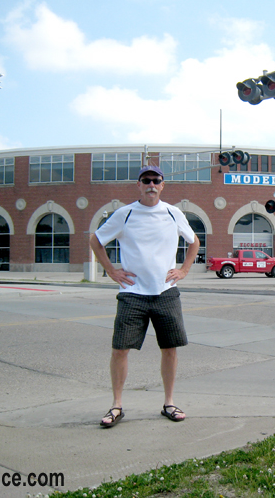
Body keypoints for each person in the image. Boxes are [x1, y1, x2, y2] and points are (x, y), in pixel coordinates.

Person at [90, 165, 199, 427]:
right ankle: (116, 406)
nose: (151, 184)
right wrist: (111, 271)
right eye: (146, 180)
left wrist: (183, 270)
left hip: (165, 293)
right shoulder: (124, 214)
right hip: (132, 294)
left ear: (162, 185)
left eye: (156, 180)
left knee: (169, 349)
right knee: (119, 350)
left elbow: (193, 241)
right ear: (138, 185)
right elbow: (96, 240)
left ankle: (169, 403)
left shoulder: (173, 213)